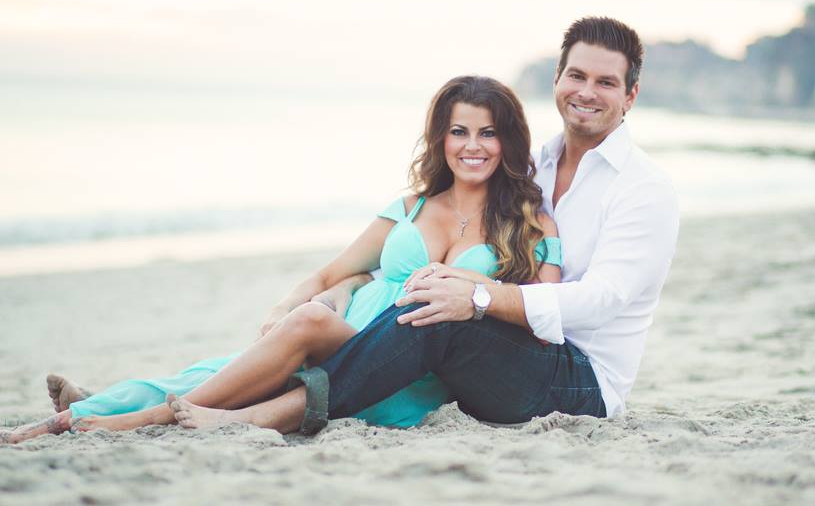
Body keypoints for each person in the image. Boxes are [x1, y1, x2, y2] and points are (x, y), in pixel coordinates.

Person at [161, 15, 679, 433]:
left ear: (630, 96)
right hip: (504, 351)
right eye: (578, 76)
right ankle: (156, 403)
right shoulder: (532, 167)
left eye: (606, 82)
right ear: (558, 80)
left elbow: (603, 299)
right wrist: (357, 280)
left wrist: (478, 296)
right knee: (426, 308)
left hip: (581, 381)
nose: (587, 91)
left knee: (446, 313)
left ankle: (270, 414)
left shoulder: (642, 189)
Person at [1, 76, 561, 444]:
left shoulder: (528, 220)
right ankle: (81, 411)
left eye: (488, 134)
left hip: (401, 365)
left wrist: (472, 290)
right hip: (333, 332)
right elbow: (330, 274)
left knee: (294, 335)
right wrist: (283, 307)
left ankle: (142, 419)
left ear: (508, 142)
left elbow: (544, 317)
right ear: (440, 138)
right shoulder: (412, 206)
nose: (473, 146)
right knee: (214, 373)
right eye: (459, 131)